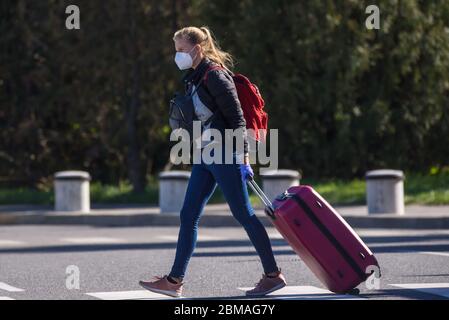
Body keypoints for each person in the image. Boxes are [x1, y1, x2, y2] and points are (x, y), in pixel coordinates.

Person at [139, 26, 286, 298]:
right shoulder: (193, 78)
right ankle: (174, 281)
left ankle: (273, 275)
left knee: (244, 214)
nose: (178, 56)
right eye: (176, 51)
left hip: (225, 154)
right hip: (206, 154)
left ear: (197, 48)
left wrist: (243, 159)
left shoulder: (216, 76)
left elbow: (238, 120)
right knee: (188, 215)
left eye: (181, 50)